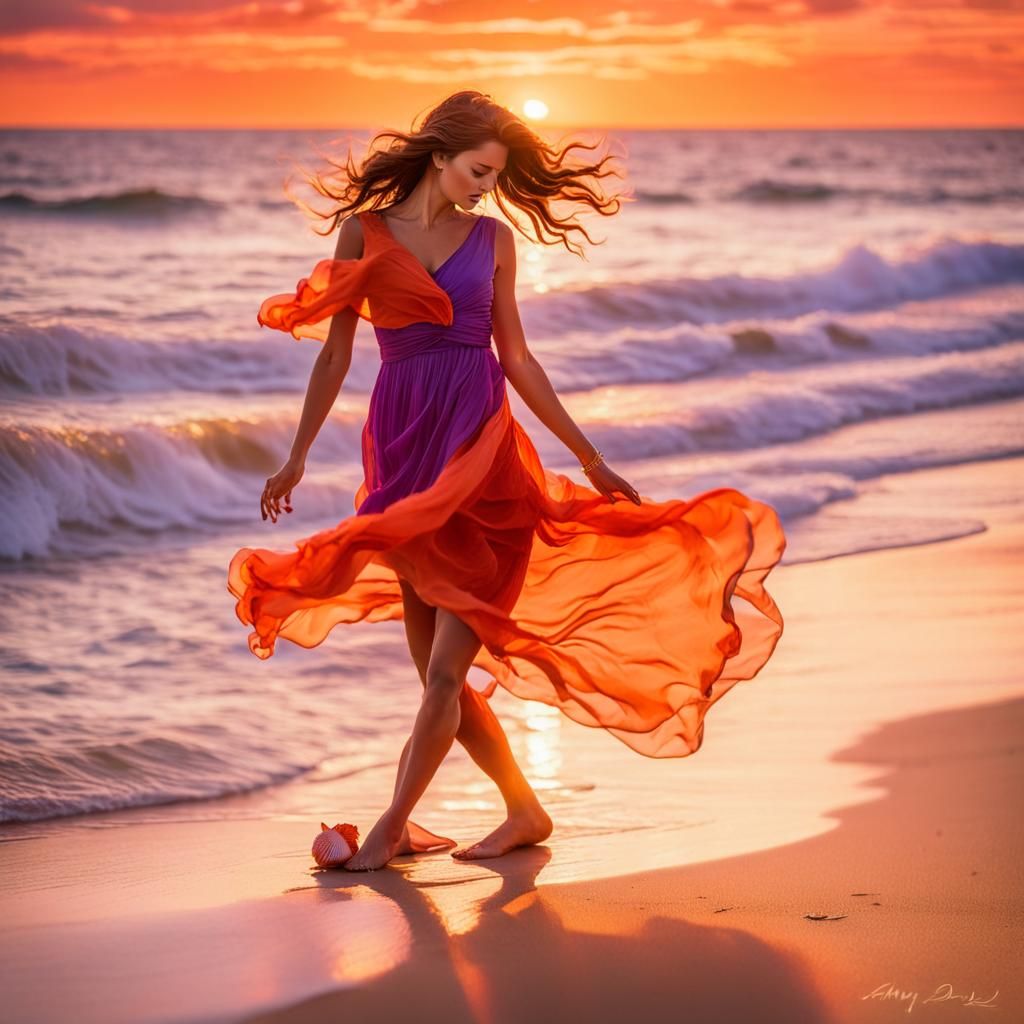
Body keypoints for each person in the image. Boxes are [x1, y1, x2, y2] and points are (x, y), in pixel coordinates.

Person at [227, 90, 787, 872]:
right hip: (402, 463)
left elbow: (517, 358)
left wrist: (589, 457)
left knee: (448, 672)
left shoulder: (492, 241)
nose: (486, 187)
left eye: (495, 176)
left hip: (485, 465)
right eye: (478, 171)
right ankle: (524, 809)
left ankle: (391, 827)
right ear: (439, 155)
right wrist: (294, 456)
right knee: (436, 680)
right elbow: (334, 354)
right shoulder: (365, 231)